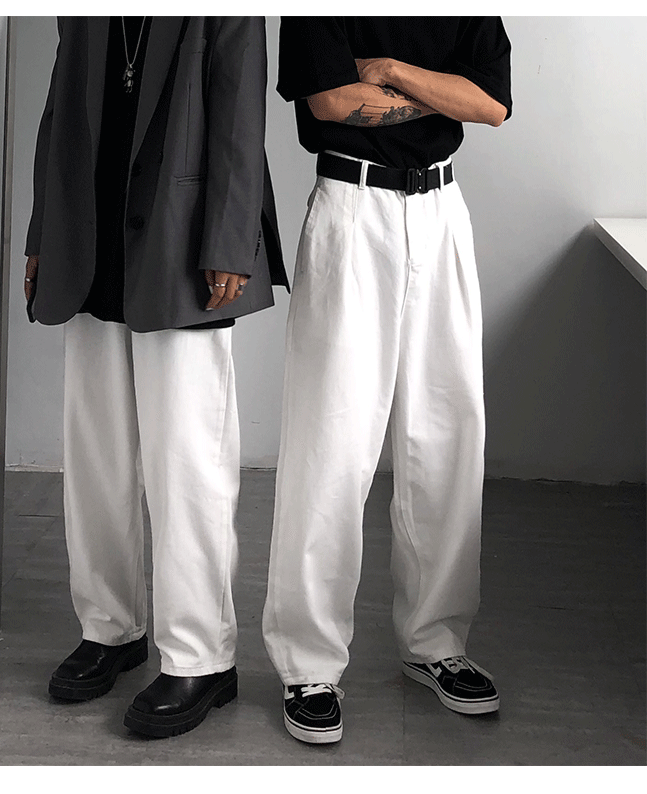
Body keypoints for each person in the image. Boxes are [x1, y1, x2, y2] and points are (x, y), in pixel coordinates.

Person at [24, 15, 287, 739]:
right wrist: (44, 230)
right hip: (89, 238)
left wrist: (230, 239)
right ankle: (110, 629)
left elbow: (240, 111)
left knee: (188, 463)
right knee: (96, 458)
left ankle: (202, 656)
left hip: (181, 238)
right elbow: (59, 105)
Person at [262, 17, 512, 744]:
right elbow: (332, 102)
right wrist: (443, 93)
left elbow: (491, 104)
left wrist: (393, 71)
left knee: (448, 432)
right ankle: (309, 663)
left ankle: (436, 643)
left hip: (441, 212)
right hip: (352, 208)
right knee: (330, 441)